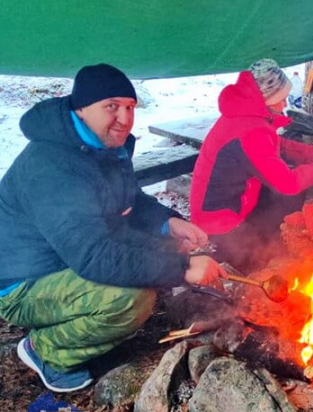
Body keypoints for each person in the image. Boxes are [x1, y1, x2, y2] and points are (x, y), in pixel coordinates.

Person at [0, 63, 226, 393]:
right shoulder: (51, 166)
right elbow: (93, 256)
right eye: (111, 107)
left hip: (69, 253)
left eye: (130, 107)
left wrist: (167, 221)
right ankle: (47, 351)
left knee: (170, 248)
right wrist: (183, 269)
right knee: (131, 300)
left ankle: (91, 319)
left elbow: (128, 199)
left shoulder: (102, 145)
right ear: (80, 108)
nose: (124, 118)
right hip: (25, 281)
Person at [190, 59, 313, 271]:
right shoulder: (251, 129)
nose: (285, 105)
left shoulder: (244, 114)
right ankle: (251, 258)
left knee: (284, 193)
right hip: (220, 220)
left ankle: (277, 240)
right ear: (265, 98)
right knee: (288, 195)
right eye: (281, 99)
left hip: (228, 203)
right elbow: (288, 183)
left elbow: (277, 144)